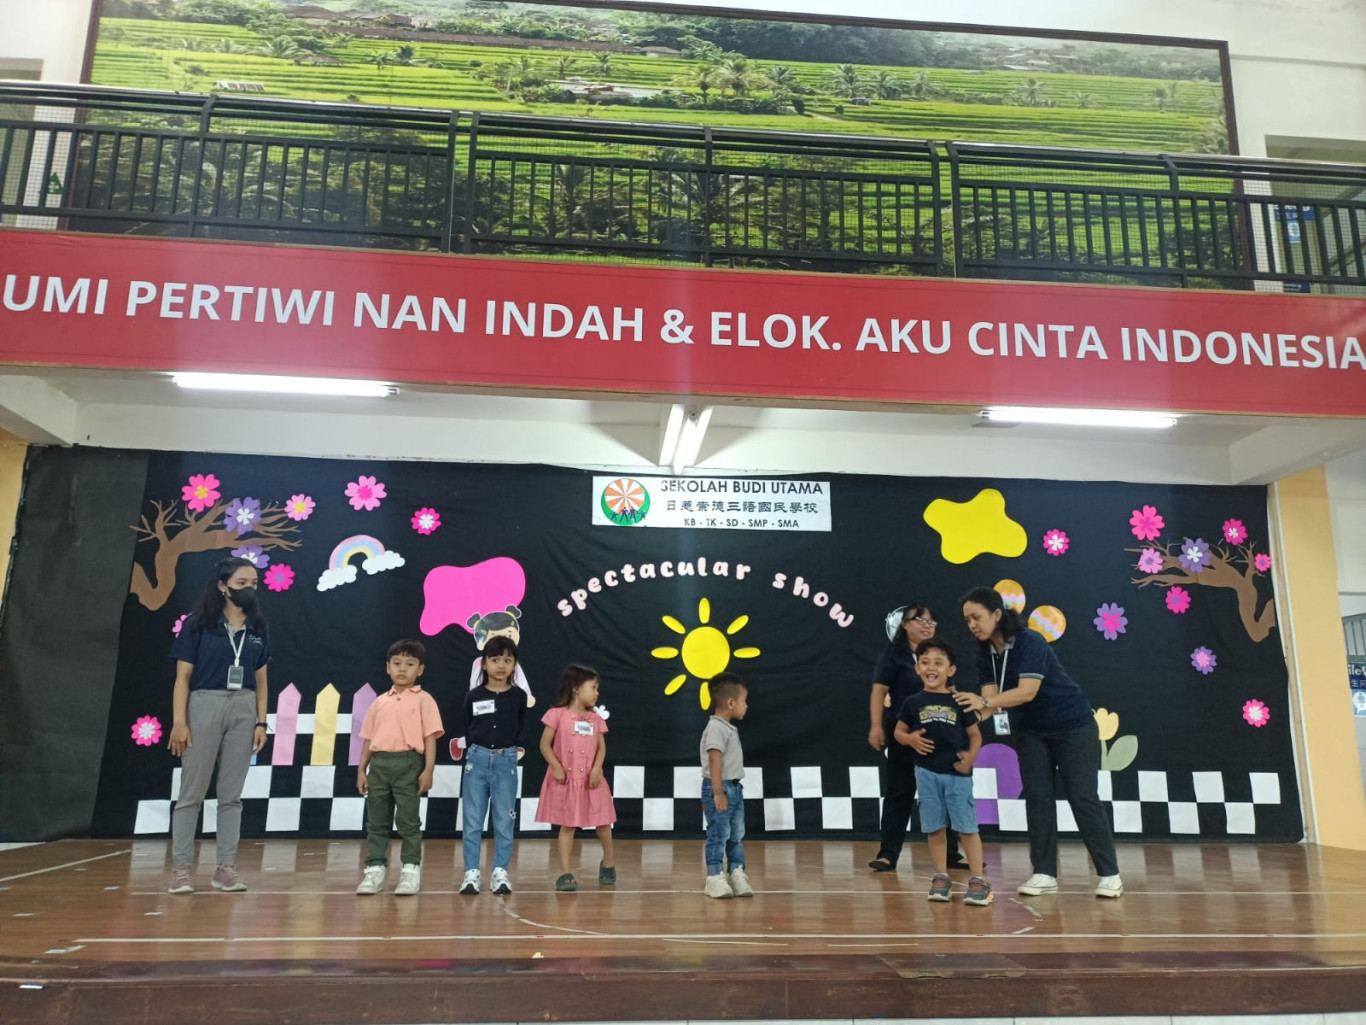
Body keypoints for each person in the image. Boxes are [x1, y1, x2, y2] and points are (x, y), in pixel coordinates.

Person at [955, 586, 1123, 898]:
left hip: (1072, 727)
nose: (972, 625)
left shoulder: (1030, 641)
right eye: (967, 620)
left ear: (996, 614)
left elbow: (1026, 692)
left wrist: (983, 702)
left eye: (976, 617)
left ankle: (1109, 874)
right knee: (1038, 798)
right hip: (1030, 731)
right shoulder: (983, 655)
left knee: (1082, 796)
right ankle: (1044, 873)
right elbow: (989, 702)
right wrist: (960, 719)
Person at [166, 557, 270, 895]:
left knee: (231, 795)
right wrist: (179, 722)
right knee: (191, 793)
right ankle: (181, 869)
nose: (249, 589)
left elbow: (262, 682)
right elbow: (182, 678)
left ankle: (225, 867)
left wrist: (261, 721)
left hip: (244, 707)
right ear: (222, 586)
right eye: (241, 583)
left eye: (253, 583)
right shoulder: (198, 624)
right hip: (204, 703)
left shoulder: (257, 627)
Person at [867, 604, 966, 873]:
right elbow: (879, 691)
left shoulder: (939, 653)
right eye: (919, 619)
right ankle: (888, 854)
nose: (926, 625)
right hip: (905, 734)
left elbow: (951, 691)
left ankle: (951, 853)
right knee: (899, 792)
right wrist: (876, 726)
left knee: (943, 792)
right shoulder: (894, 655)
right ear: (904, 624)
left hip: (940, 735)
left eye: (931, 621)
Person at [895, 638, 992, 906]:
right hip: (926, 773)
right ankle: (941, 878)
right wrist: (910, 739)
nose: (931, 667)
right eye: (925, 662)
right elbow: (899, 732)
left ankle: (979, 881)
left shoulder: (959, 701)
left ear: (951, 670)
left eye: (938, 663)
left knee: (966, 827)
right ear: (917, 668)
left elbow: (975, 736)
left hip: (957, 775)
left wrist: (970, 758)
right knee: (934, 827)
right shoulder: (912, 702)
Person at [355, 639, 444, 896]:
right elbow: (369, 739)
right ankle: (374, 870)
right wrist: (362, 769)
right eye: (396, 663)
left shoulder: (424, 700)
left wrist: (428, 769)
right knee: (376, 820)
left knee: (408, 820)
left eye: (409, 664)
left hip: (409, 764)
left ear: (420, 669)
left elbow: (430, 737)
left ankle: (410, 870)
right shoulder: (379, 702)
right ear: (388, 667)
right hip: (379, 765)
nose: (402, 669)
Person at [536, 664, 616, 892]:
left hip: (592, 781)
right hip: (567, 782)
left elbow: (601, 748)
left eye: (598, 688)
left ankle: (608, 861)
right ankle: (565, 872)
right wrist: (556, 766)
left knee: (603, 823)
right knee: (567, 825)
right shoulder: (556, 715)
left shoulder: (595, 719)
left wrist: (596, 769)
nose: (597, 693)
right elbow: (544, 745)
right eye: (593, 687)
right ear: (576, 689)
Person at [459, 635, 526, 896]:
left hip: (505, 761)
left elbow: (520, 727)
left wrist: (509, 752)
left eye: (507, 660)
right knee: (473, 819)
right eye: (495, 659)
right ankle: (471, 873)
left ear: (514, 665)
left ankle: (500, 871)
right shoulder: (473, 696)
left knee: (504, 820)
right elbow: (469, 728)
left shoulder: (519, 696)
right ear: (484, 663)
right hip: (477, 760)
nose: (501, 665)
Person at [701, 672, 753, 899]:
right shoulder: (716, 727)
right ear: (731, 703)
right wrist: (717, 792)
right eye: (744, 701)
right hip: (720, 788)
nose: (746, 706)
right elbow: (715, 759)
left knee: (736, 834)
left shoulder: (727, 728)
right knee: (718, 834)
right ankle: (714, 877)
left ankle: (736, 871)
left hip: (734, 788)